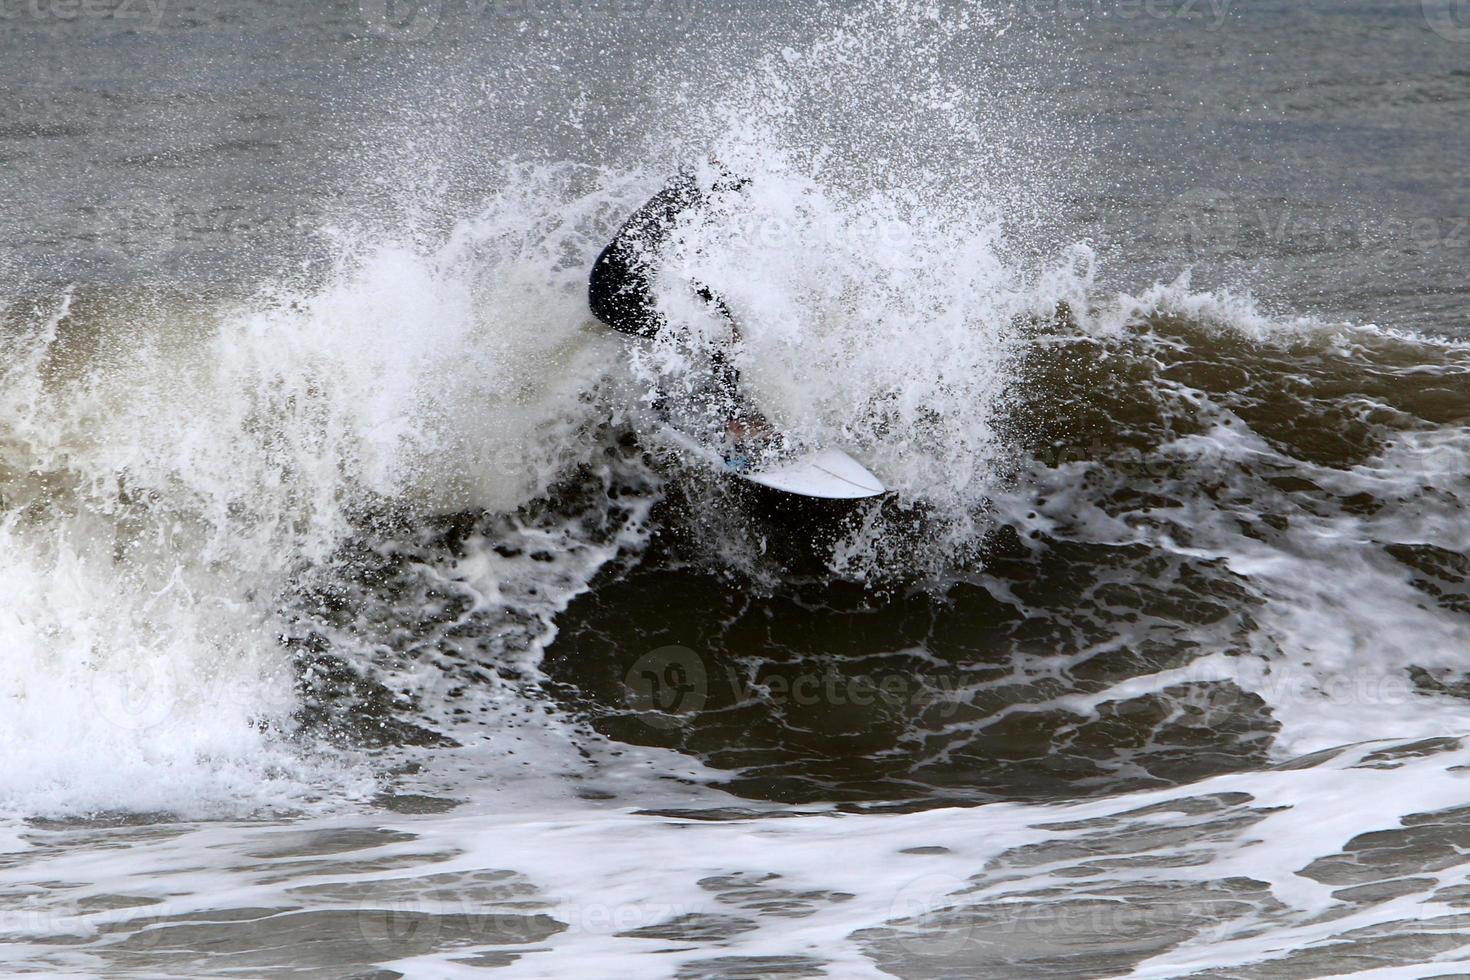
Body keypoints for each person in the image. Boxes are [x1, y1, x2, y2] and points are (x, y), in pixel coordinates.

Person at [588, 160, 767, 443]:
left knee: (683, 332)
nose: (738, 207)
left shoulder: (681, 197)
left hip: (605, 290)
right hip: (616, 300)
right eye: (737, 198)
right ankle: (735, 419)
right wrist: (727, 319)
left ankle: (663, 403)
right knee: (715, 337)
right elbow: (693, 273)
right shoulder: (692, 216)